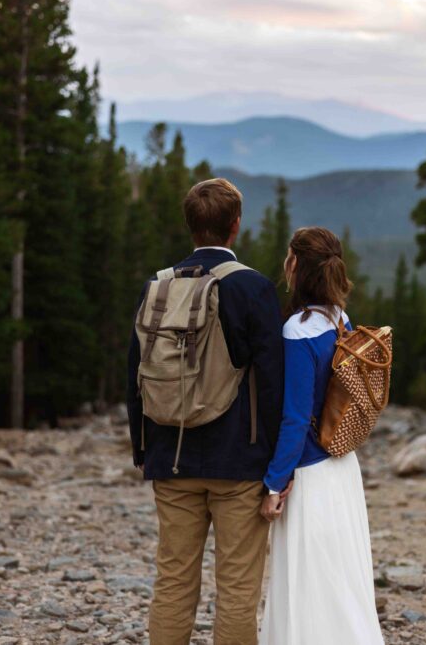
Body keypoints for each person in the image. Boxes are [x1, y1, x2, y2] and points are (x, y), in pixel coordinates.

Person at [128, 178, 284, 645]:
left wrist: (143, 448)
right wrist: (277, 465)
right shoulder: (253, 288)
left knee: (173, 581)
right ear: (235, 226)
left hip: (169, 453)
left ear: (190, 226)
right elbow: (272, 381)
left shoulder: (157, 288)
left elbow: (134, 372)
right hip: (239, 461)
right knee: (237, 588)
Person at [258, 227, 385, 645]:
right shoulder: (339, 317)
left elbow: (295, 418)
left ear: (296, 266)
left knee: (309, 581)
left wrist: (275, 483)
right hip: (342, 465)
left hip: (310, 474)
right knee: (340, 577)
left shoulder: (298, 328)